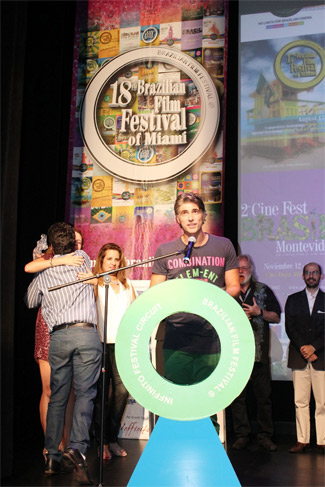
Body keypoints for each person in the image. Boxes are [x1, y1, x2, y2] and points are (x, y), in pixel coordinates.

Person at [150, 192, 239, 427]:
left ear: (204, 216)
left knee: (207, 404)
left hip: (212, 336)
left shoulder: (223, 246)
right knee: (177, 401)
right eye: (184, 213)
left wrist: (207, 295)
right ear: (177, 219)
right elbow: (154, 296)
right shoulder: (166, 251)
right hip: (177, 337)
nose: (190, 218)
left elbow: (234, 288)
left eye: (195, 211)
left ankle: (207, 456)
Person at [25, 222, 102, 484]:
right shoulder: (81, 258)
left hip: (58, 336)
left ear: (51, 247)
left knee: (57, 396)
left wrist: (44, 267)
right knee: (85, 394)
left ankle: (52, 457)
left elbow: (30, 301)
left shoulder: (45, 272)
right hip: (85, 334)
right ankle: (77, 450)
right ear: (73, 243)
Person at [25, 230, 84, 455]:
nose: (76, 243)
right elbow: (29, 269)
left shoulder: (82, 260)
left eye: (79, 241)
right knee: (50, 389)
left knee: (70, 392)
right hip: (48, 327)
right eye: (73, 240)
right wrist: (57, 259)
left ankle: (66, 444)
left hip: (73, 328)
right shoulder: (47, 260)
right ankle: (51, 445)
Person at [79, 243, 136, 460]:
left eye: (116, 259)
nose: (112, 262)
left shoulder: (127, 284)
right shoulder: (93, 282)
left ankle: (112, 438)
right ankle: (102, 442)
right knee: (101, 395)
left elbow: (134, 313)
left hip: (122, 345)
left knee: (122, 392)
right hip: (99, 344)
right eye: (108, 258)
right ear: (101, 260)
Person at [230, 254, 281, 451]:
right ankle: (242, 435)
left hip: (259, 355)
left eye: (245, 267)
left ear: (251, 269)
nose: (241, 271)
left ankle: (265, 436)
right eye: (238, 268)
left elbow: (276, 317)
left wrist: (260, 313)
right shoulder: (230, 292)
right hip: (235, 355)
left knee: (263, 398)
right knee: (238, 398)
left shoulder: (263, 290)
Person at [285, 262, 325, 454]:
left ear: (321, 276)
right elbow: (290, 328)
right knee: (300, 401)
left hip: (321, 357)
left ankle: (322, 441)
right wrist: (304, 348)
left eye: (315, 273)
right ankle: (303, 440)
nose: (311, 276)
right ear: (302, 276)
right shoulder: (293, 300)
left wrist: (314, 347)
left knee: (322, 402)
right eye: (308, 273)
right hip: (299, 356)